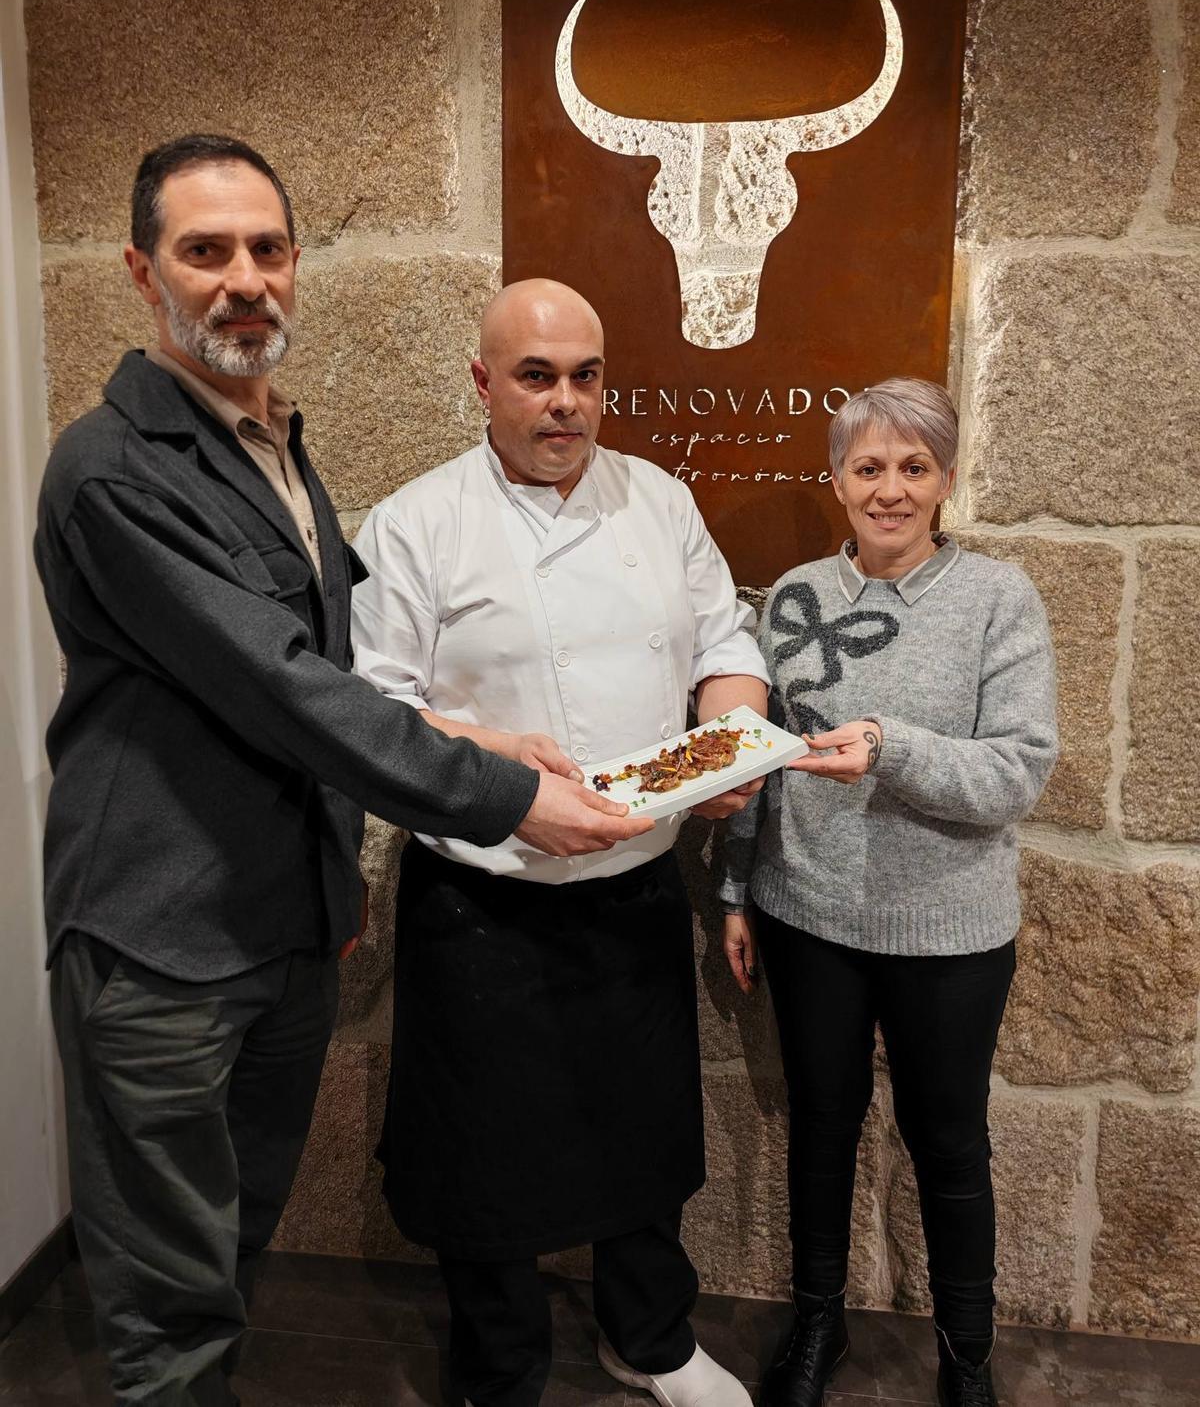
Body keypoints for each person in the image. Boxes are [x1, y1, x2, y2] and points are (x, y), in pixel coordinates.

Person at [34, 138, 647, 1407]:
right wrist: (503, 793)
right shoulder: (112, 468)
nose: (243, 279)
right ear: (142, 271)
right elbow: (282, 687)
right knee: (168, 1306)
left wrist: (456, 754)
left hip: (281, 928)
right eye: (206, 252)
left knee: (236, 1243)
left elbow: (326, 667)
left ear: (298, 266)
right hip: (159, 947)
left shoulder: (266, 442)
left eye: (266, 249)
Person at [351, 278, 770, 1407]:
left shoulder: (659, 500)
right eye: (537, 376)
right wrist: (495, 764)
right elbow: (373, 708)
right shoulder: (415, 522)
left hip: (636, 883)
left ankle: (651, 1337)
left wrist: (727, 745)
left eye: (586, 375)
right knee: (482, 1160)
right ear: (483, 382)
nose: (567, 402)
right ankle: (499, 1371)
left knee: (643, 1135)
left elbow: (722, 639)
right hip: (484, 898)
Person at [719, 378, 1058, 1407]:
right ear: (836, 480)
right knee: (820, 1127)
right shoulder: (793, 598)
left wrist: (886, 746)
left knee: (949, 1141)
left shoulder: (999, 598)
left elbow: (1017, 771)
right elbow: (757, 753)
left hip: (951, 930)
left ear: (947, 480)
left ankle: (966, 1356)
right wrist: (736, 885)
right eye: (869, 467)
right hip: (807, 916)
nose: (891, 489)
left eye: (915, 467)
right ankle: (816, 1322)